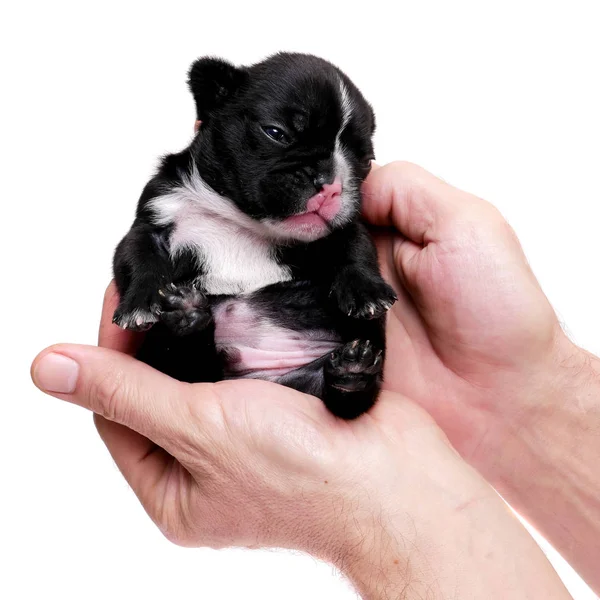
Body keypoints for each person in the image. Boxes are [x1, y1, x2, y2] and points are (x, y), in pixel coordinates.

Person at [31, 161, 600, 599]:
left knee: (344, 376)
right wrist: (527, 395)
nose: (330, 179)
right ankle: (194, 325)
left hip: (312, 362)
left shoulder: (332, 222)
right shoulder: (178, 195)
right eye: (283, 135)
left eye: (354, 153)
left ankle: (345, 380)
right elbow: (141, 248)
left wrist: (364, 504)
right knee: (186, 347)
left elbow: (352, 256)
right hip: (218, 352)